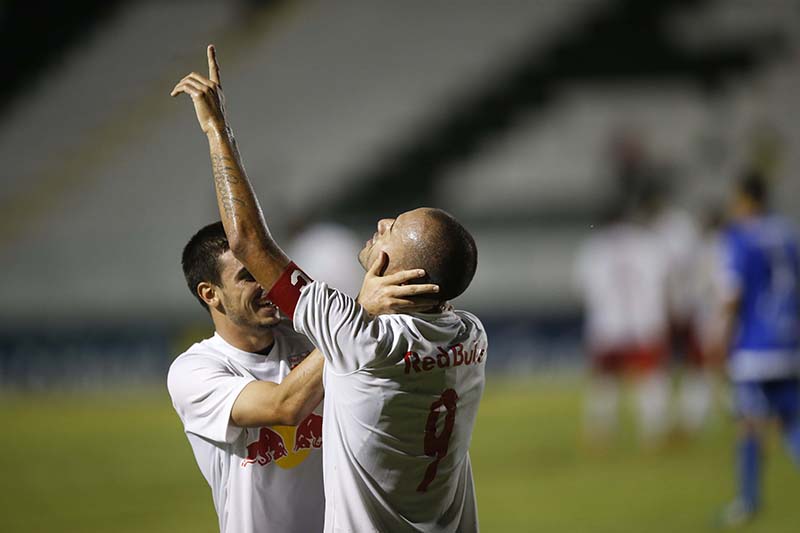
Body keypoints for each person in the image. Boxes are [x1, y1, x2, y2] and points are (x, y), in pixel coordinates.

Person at [171, 45, 487, 532]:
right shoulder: (469, 335)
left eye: (392, 228)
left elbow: (249, 241)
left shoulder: (356, 336)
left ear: (387, 265)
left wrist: (218, 130)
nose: (381, 221)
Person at [168, 221, 433, 533]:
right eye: (248, 277)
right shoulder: (195, 371)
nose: (266, 285)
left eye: (264, 271)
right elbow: (284, 406)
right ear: (210, 293)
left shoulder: (307, 337)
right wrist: (358, 316)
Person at [714, 172, 800, 527]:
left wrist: (720, 337)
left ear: (747, 200)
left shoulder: (740, 237)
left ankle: (747, 503)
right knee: (793, 421)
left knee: (749, 424)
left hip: (754, 348)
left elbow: (733, 295)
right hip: (790, 343)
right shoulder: (790, 234)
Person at [574, 202, 671, 448]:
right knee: (649, 380)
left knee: (604, 382)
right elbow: (664, 280)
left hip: (608, 324)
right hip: (644, 322)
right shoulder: (648, 243)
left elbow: (582, 288)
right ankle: (653, 434)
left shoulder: (595, 248)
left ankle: (600, 435)